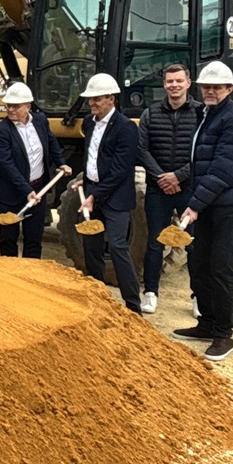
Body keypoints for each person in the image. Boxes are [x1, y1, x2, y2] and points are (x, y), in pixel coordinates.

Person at [172, 61, 233, 362]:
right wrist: (197, 202)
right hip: (208, 200)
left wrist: (194, 205)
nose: (210, 91)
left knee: (220, 265)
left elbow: (224, 169)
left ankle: (224, 333)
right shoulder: (206, 114)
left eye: (217, 87)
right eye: (206, 86)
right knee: (200, 260)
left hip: (228, 202)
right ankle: (206, 322)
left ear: (229, 89)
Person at [136, 64, 202, 314]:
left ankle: (198, 296)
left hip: (189, 189)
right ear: (164, 85)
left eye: (179, 81)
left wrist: (179, 176)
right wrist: (162, 177)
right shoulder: (150, 114)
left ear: (188, 83)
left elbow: (203, 150)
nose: (174, 85)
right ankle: (150, 292)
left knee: (193, 243)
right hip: (158, 189)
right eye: (169, 81)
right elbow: (142, 149)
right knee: (155, 242)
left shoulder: (200, 113)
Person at [77, 73, 142, 314]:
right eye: (90, 100)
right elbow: (91, 157)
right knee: (91, 246)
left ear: (111, 99)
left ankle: (133, 306)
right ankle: (97, 297)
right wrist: (83, 182)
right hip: (93, 190)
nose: (93, 103)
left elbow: (119, 171)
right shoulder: (89, 122)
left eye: (98, 99)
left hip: (115, 197)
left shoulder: (126, 128)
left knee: (117, 247)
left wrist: (95, 195)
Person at [0, 82, 71, 259]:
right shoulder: (2, 131)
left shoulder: (41, 121)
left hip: (38, 189)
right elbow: (7, 165)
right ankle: (10, 279)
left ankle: (32, 278)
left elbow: (51, 142)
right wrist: (26, 191)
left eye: (15, 106)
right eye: (8, 105)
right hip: (11, 193)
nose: (10, 109)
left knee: (34, 239)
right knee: (9, 239)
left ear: (28, 106)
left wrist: (61, 163)